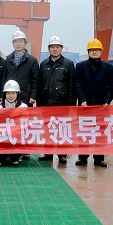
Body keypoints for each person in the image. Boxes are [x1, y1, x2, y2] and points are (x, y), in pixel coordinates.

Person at [75, 38, 113, 167]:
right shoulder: (80, 66)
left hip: (101, 106)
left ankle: (99, 158)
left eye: (97, 50)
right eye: (92, 50)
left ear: (101, 51)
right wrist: (82, 99)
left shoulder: (108, 67)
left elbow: (111, 86)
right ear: (88, 52)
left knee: (100, 132)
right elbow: (78, 84)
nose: (94, 52)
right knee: (84, 131)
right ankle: (83, 157)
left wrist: (107, 100)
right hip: (85, 105)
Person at [37, 36, 75, 164]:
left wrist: (71, 104)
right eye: (52, 47)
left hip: (62, 103)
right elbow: (40, 84)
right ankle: (48, 153)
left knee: (61, 129)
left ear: (61, 48)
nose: (55, 49)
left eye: (57, 47)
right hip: (46, 103)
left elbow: (71, 85)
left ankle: (62, 154)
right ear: (49, 49)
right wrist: (39, 104)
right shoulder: (43, 64)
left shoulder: (68, 64)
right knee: (47, 128)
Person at [0, 80, 27, 166]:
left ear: (17, 94)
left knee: (15, 161)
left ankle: (15, 156)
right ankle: (2, 156)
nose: (10, 96)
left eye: (13, 93)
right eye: (8, 93)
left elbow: (26, 124)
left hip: (17, 137)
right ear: (4, 94)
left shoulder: (24, 107)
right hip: (2, 136)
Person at [2, 30, 39, 107]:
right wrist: (1, 95)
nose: (18, 44)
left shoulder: (32, 61)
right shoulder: (8, 60)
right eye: (16, 42)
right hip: (10, 97)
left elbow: (35, 80)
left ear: (25, 43)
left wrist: (33, 96)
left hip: (25, 97)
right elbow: (4, 78)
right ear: (13, 43)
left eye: (21, 41)